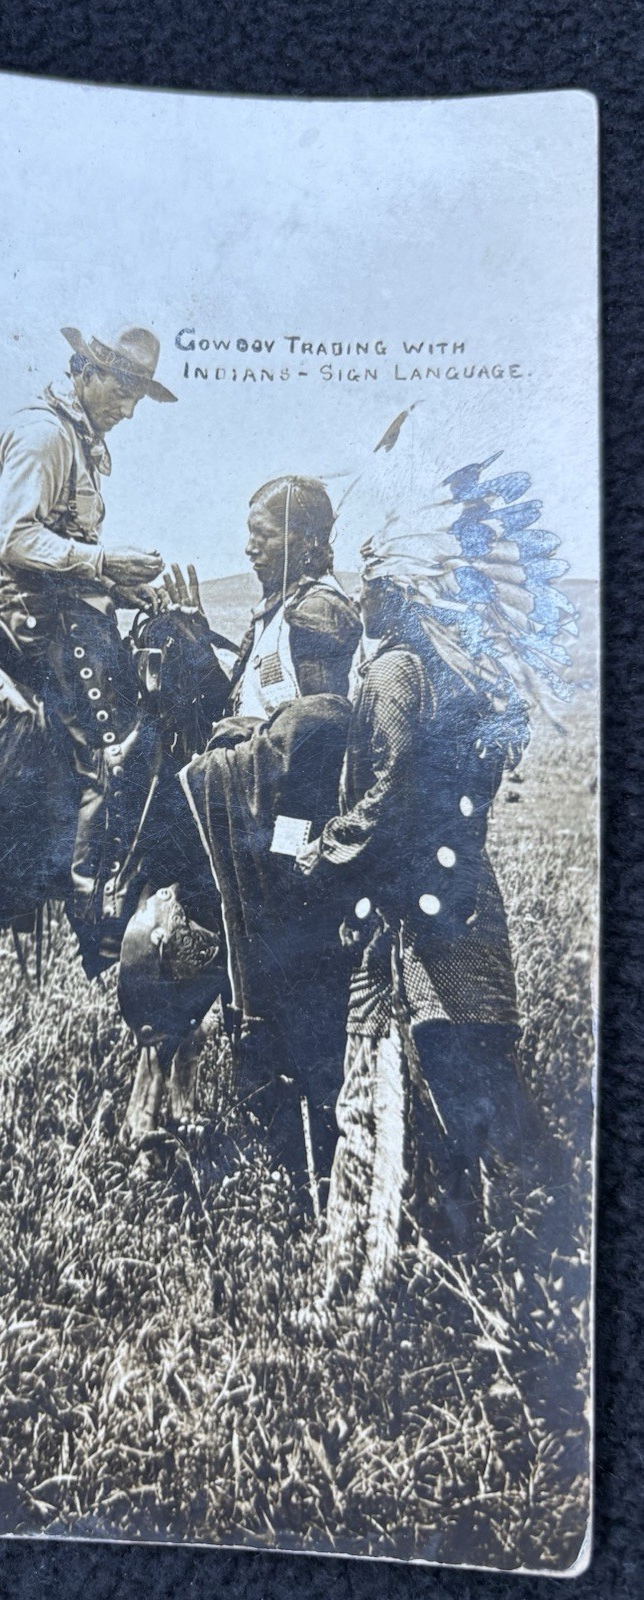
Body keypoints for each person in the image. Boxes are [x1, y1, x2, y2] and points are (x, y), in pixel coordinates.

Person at [298, 479, 579, 1286]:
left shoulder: (391, 675)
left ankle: (361, 1279)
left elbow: (381, 803)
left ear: (397, 592)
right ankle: (533, 1250)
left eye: (370, 585)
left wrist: (319, 852)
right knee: (483, 1088)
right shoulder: (460, 678)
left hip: (404, 925)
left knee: (371, 1097)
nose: (361, 600)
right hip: (467, 908)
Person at [175, 476, 362, 1190]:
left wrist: (251, 737)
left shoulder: (317, 613)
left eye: (268, 532)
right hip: (259, 825)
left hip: (288, 833)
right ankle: (287, 1150)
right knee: (257, 973)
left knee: (289, 980)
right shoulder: (281, 610)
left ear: (310, 542)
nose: (251, 543)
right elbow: (246, 702)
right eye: (250, 530)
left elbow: (320, 732)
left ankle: (310, 1160)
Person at [0, 325, 176, 972]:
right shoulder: (45, 435)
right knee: (113, 752)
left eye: (138, 398)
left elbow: (60, 550)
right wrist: (103, 562)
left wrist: (122, 589)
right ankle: (94, 914)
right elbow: (15, 540)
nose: (129, 408)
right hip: (43, 619)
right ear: (86, 374)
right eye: (123, 392)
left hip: (66, 610)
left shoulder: (78, 438)